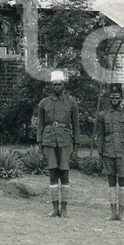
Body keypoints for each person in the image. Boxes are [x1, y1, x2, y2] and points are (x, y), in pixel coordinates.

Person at [36, 70, 79, 217]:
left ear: (64, 86)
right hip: (49, 141)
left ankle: (65, 208)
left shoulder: (71, 103)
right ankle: (55, 208)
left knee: (64, 173)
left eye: (60, 84)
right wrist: (40, 144)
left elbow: (76, 125)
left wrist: (76, 146)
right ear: (51, 86)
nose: (57, 87)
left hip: (65, 141)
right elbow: (40, 125)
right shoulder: (44, 103)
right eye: (54, 85)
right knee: (53, 173)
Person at [97, 84, 124, 221]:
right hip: (108, 151)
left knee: (123, 181)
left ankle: (121, 212)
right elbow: (100, 136)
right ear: (109, 99)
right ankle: (113, 212)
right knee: (111, 181)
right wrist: (100, 154)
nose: (114, 99)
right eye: (112, 97)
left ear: (121, 98)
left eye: (117, 97)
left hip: (122, 151)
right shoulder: (103, 115)